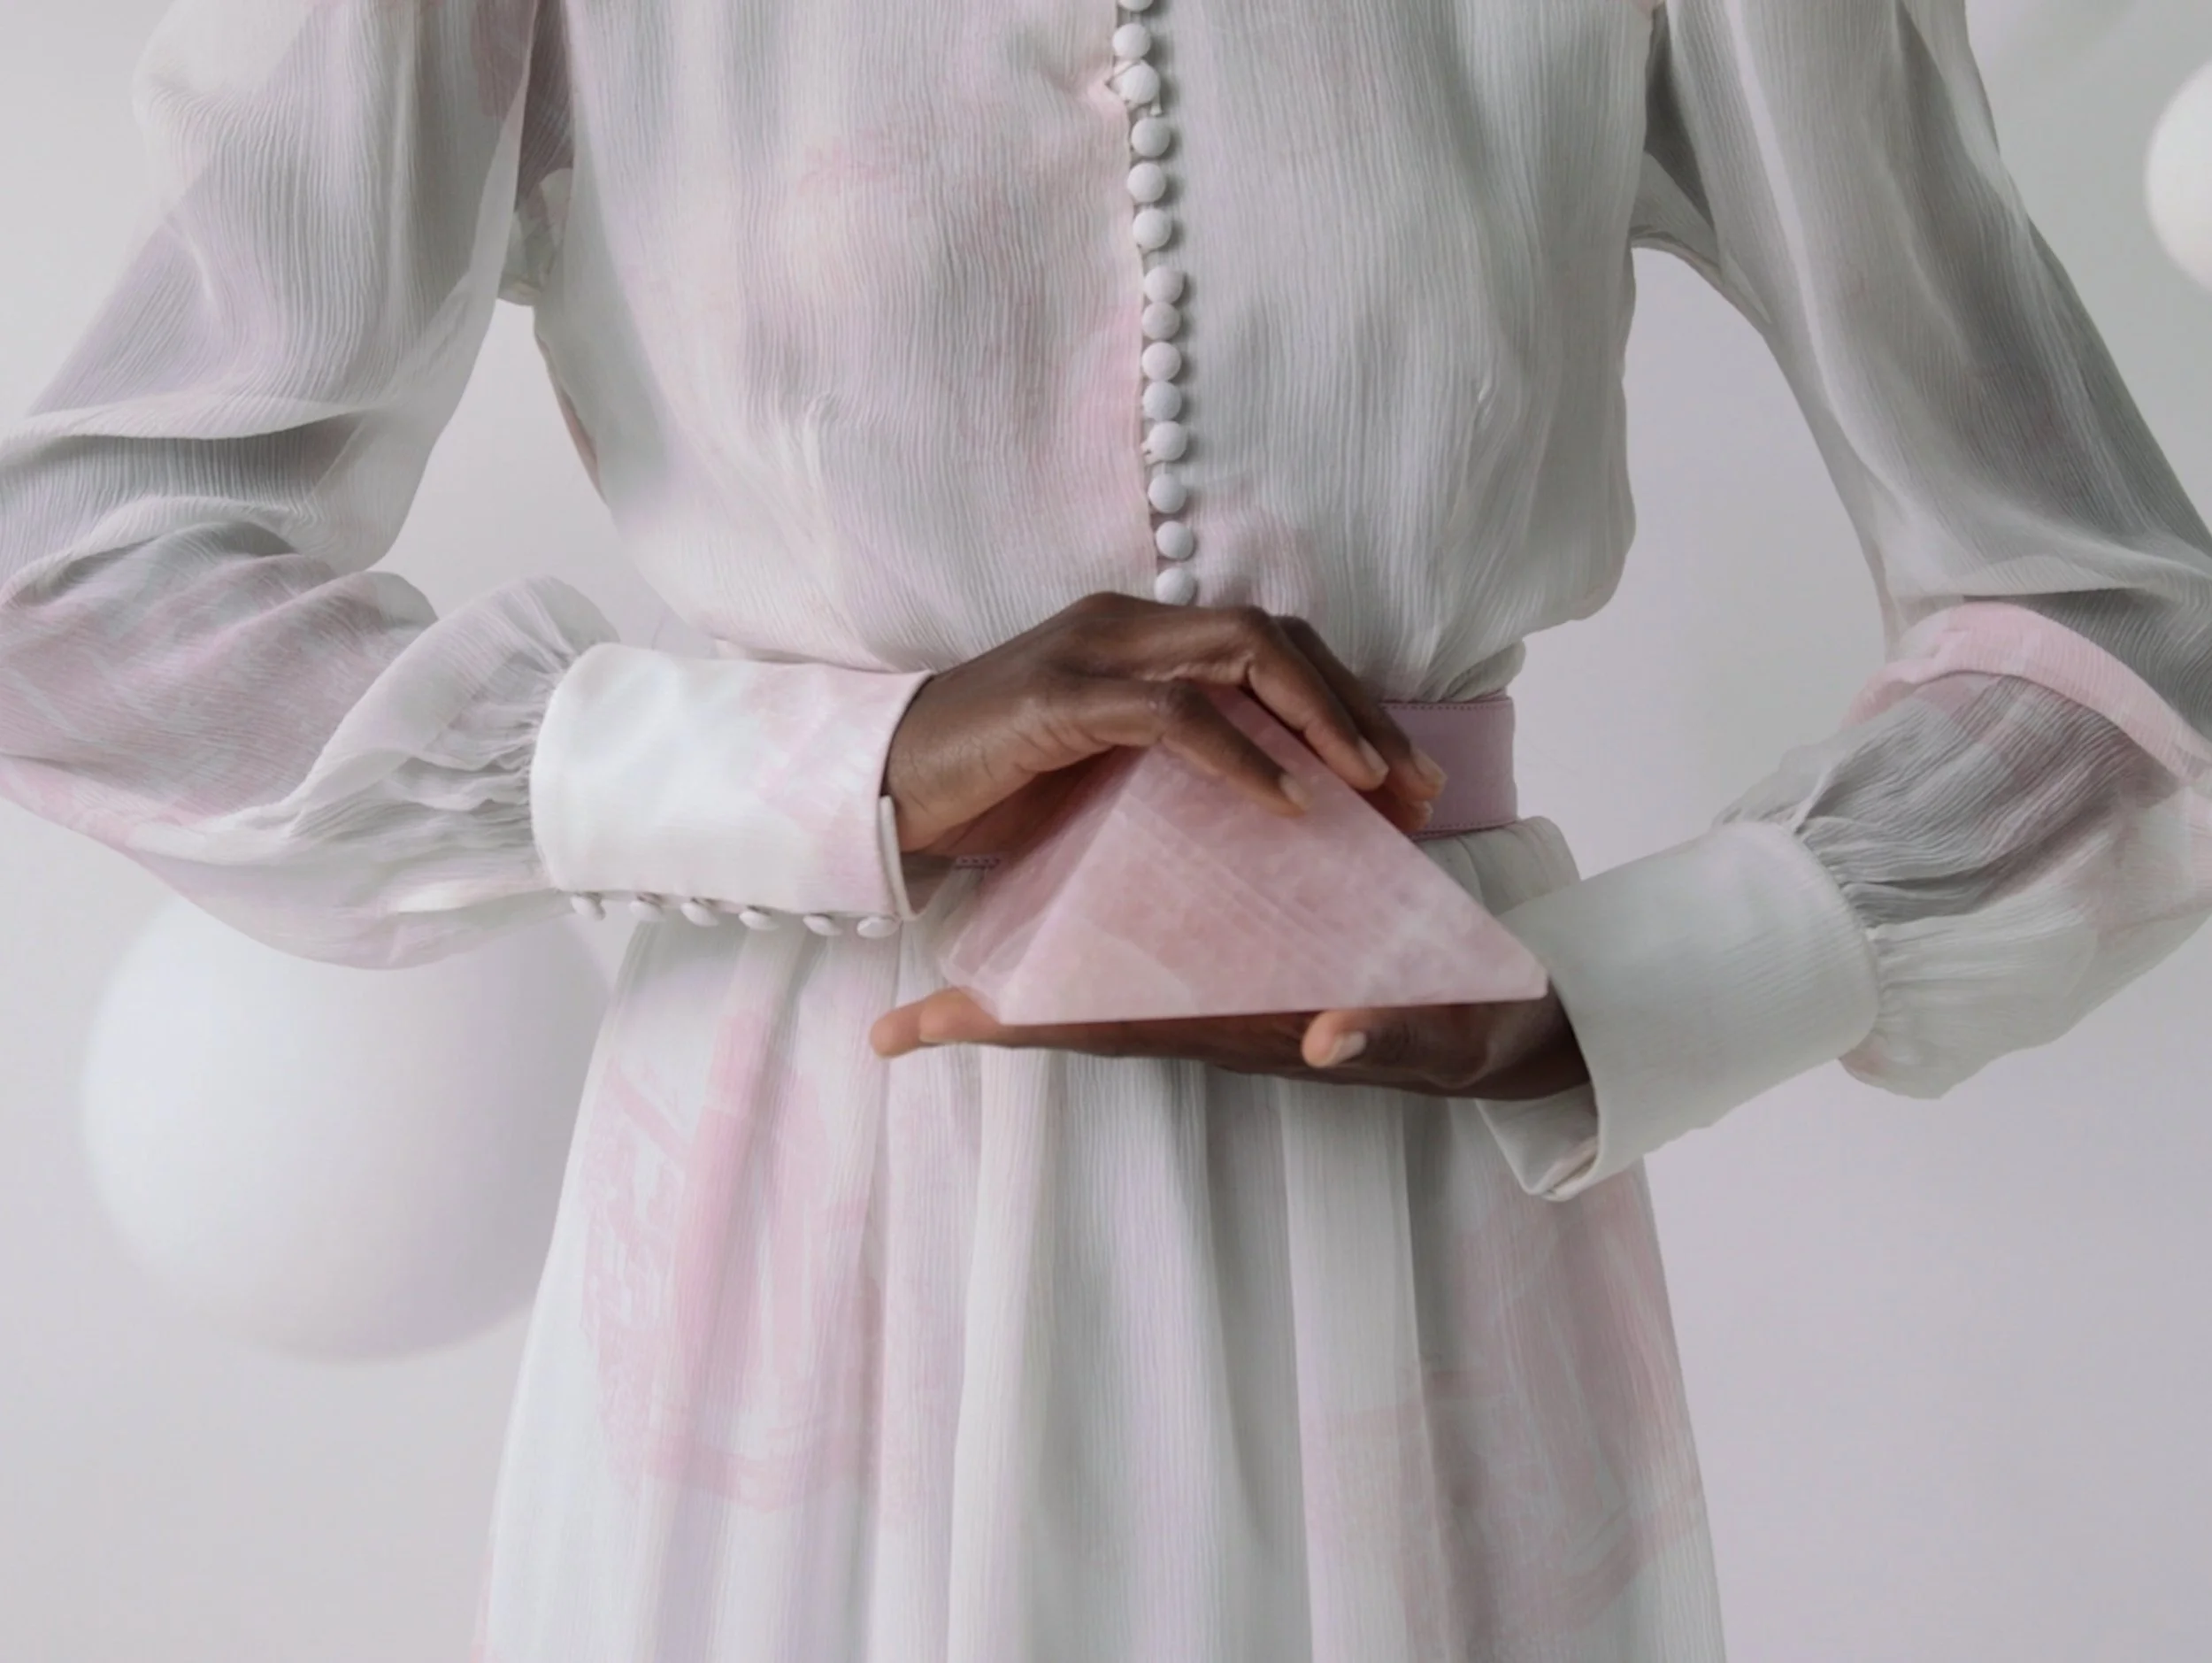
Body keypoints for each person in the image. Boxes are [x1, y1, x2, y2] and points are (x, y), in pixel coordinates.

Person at [3, 0, 2208, 1656]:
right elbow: (86, 584)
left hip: (1419, 1237)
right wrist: (840, 766)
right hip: (801, 1253)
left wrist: (1641, 982)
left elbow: (2120, 621)